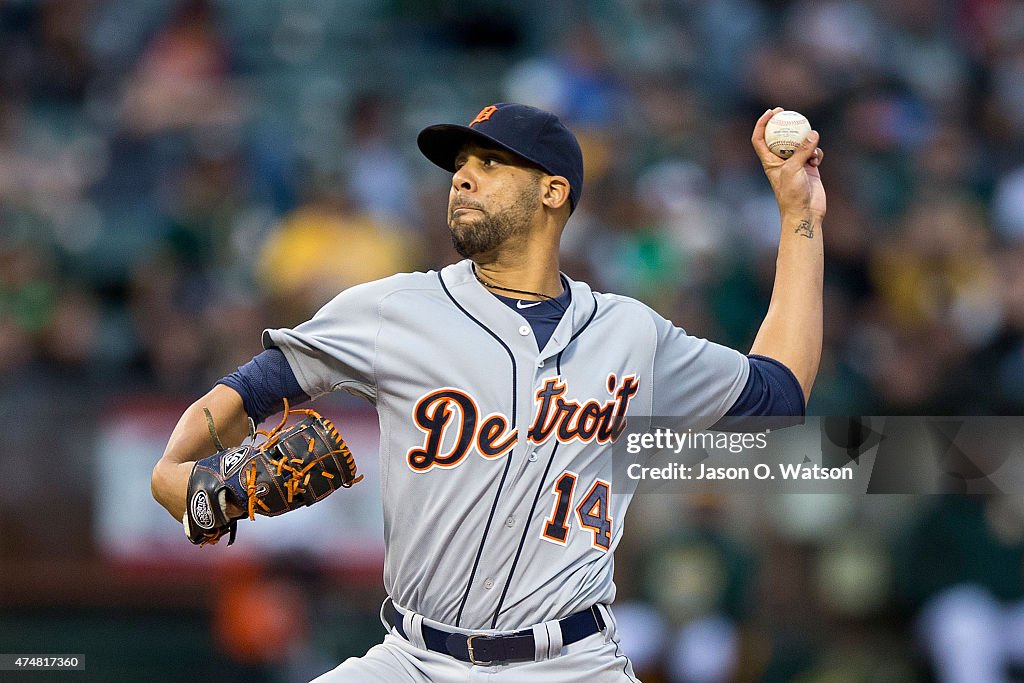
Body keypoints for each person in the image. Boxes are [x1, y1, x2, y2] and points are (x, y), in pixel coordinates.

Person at [151, 102, 825, 681]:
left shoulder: (631, 335)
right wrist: (179, 473)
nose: (463, 176)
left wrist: (800, 216)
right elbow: (252, 387)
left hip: (570, 660)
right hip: (413, 658)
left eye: (491, 162)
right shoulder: (396, 309)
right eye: (459, 165)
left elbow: (781, 388)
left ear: (553, 191)